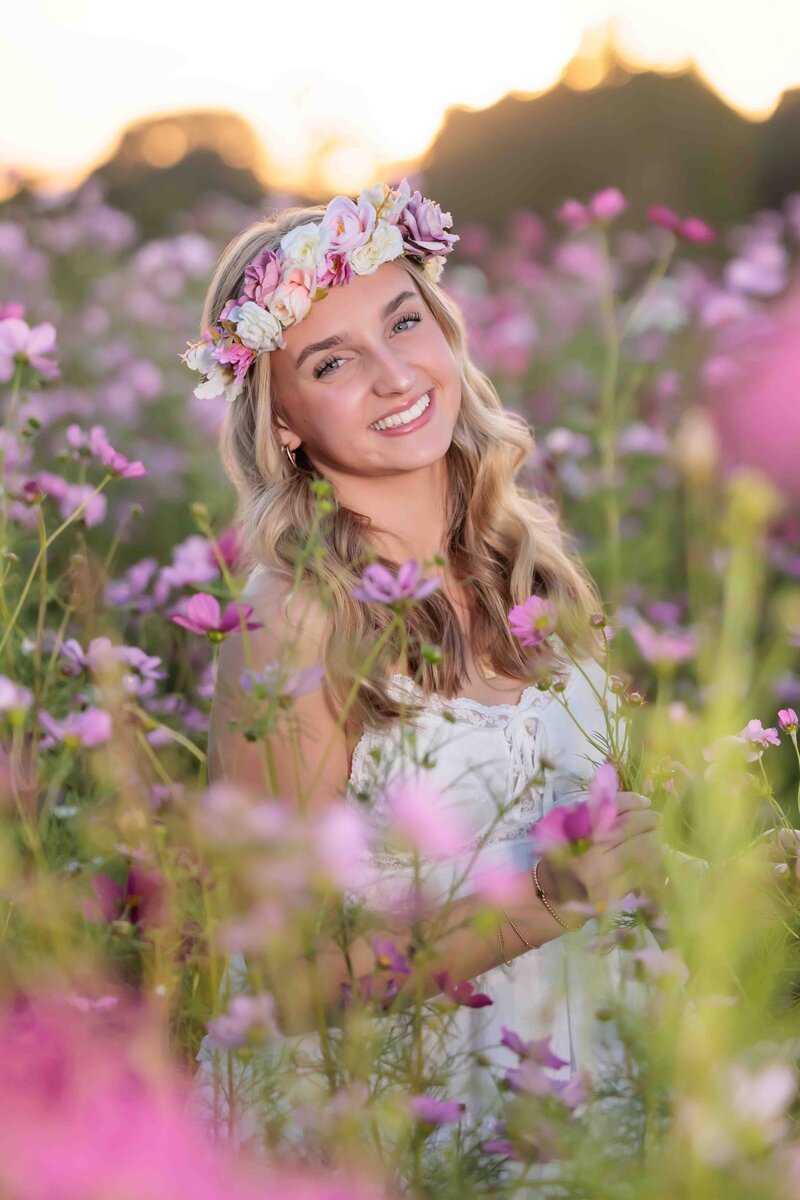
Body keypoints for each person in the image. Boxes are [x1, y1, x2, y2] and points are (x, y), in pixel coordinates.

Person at [184, 179, 668, 1169]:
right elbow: (280, 979)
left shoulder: (528, 567)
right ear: (281, 420)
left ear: (444, 331)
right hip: (396, 1121)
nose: (393, 374)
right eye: (331, 360)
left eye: (404, 322)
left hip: (579, 1084)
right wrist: (541, 899)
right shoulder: (294, 624)